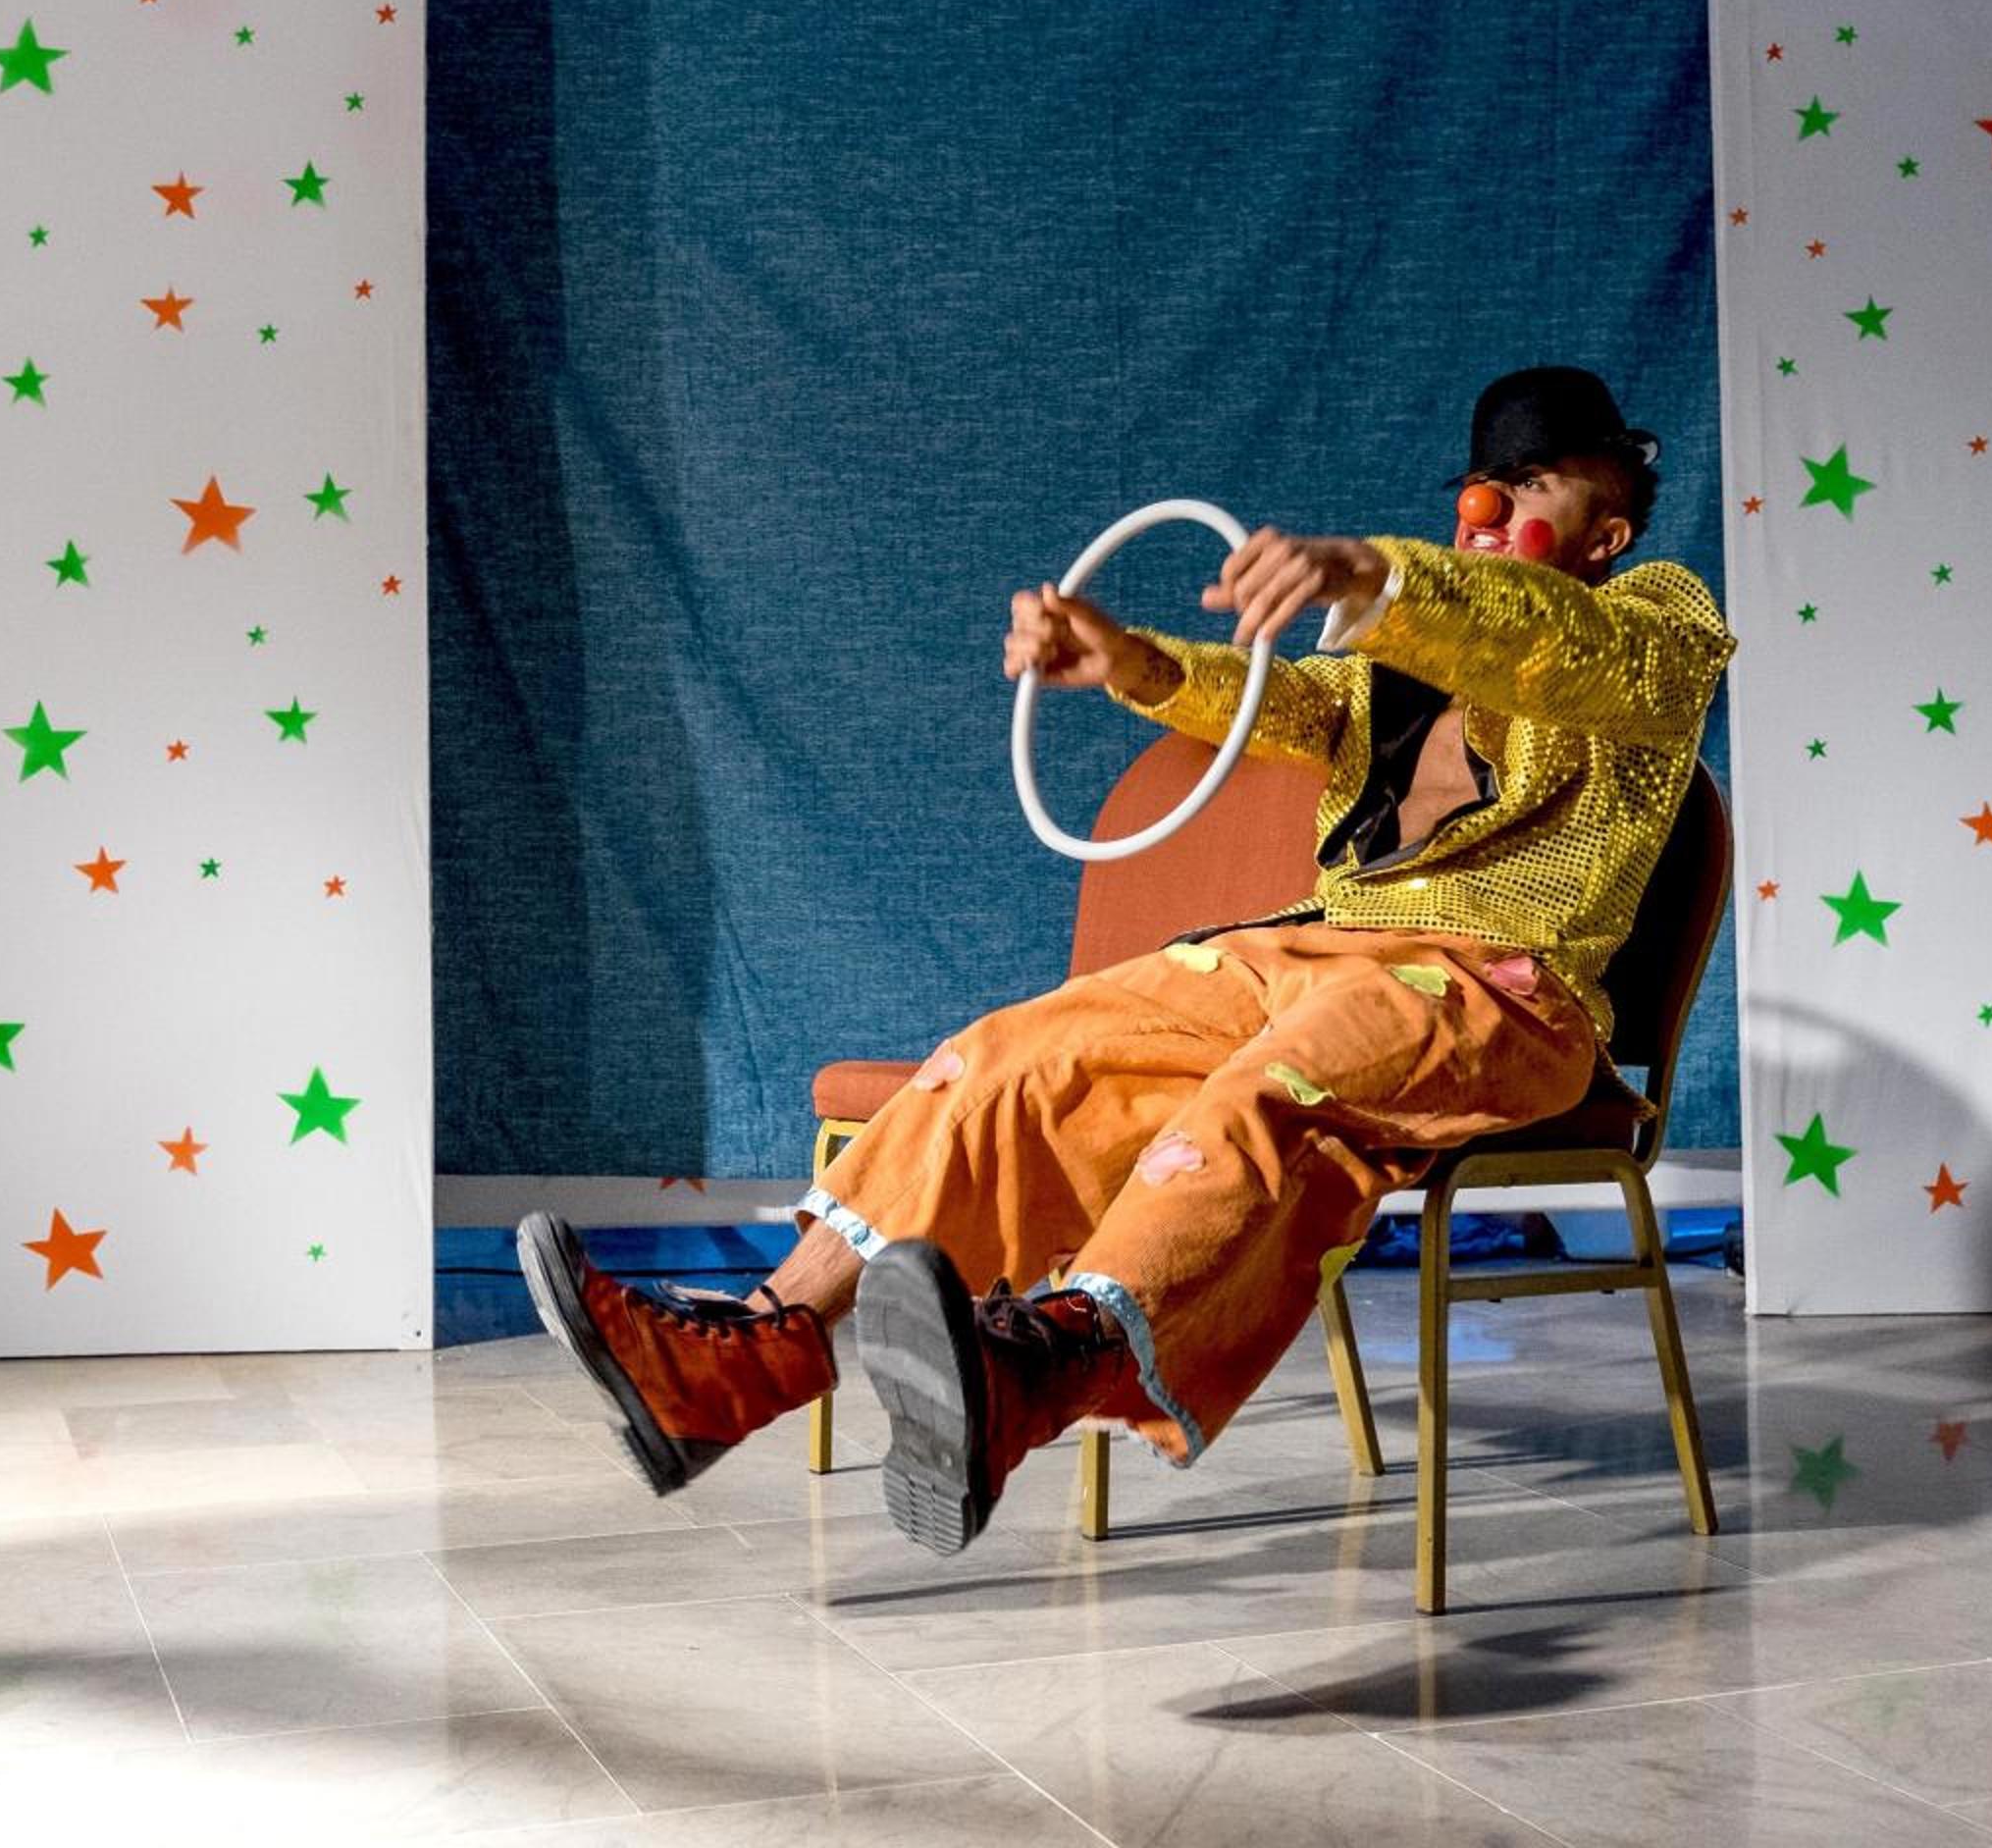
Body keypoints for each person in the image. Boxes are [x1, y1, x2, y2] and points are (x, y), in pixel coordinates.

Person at [515, 365, 1736, 1557]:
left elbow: (1566, 646)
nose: (1488, 508)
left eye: (1534, 484)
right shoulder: (1397, 669)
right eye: (1483, 485)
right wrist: (1129, 662)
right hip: (1308, 951)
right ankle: (740, 1358)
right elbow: (1283, 704)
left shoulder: (1659, 629)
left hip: (1501, 994)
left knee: (1279, 1084)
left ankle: (1047, 1367)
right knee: (1016, 1052)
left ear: (1610, 525)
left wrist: (1381, 576)